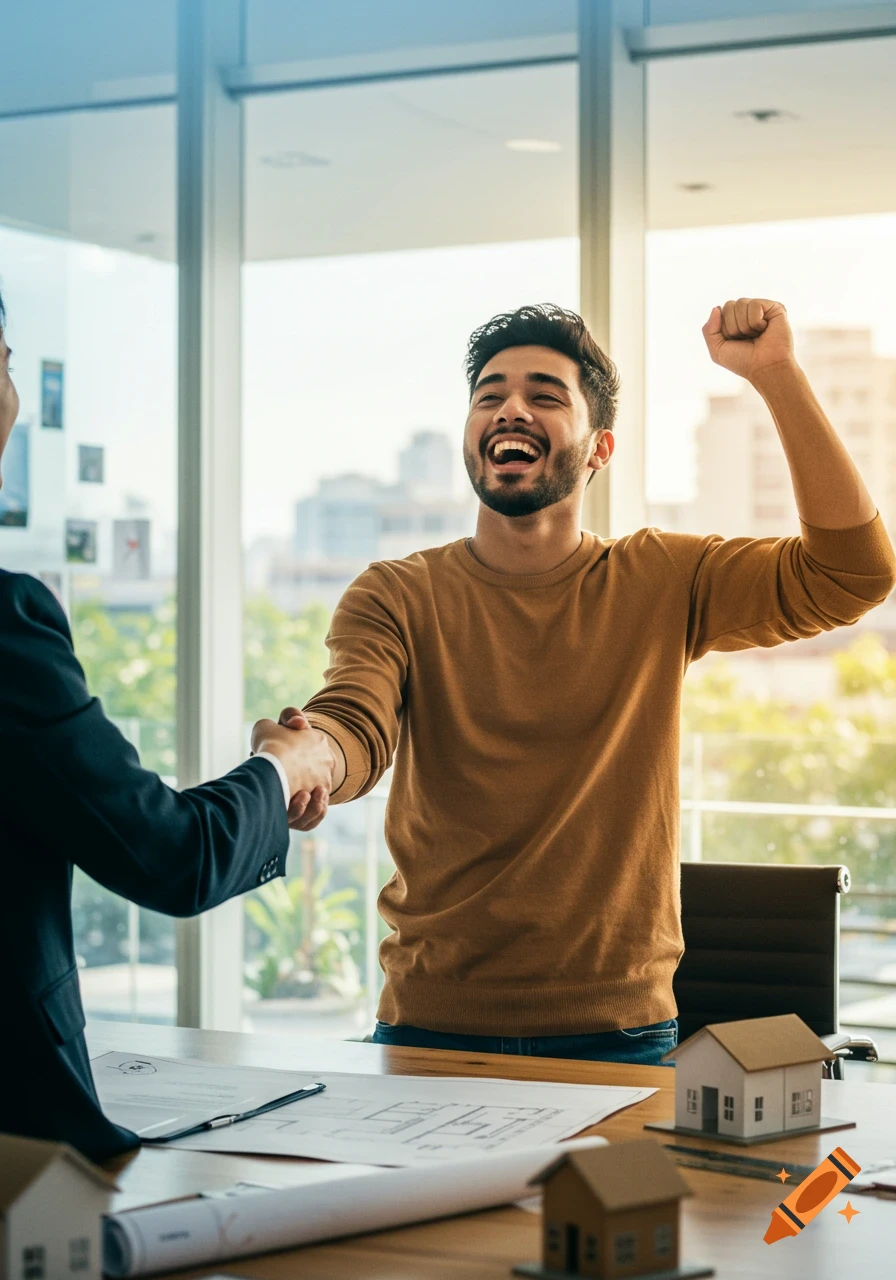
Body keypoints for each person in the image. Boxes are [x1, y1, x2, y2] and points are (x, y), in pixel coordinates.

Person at [278, 298, 896, 1065]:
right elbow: (354, 722)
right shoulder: (396, 593)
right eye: (489, 395)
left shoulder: (662, 578)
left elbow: (853, 574)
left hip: (621, 1036)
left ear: (600, 448)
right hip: (430, 1025)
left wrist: (776, 377)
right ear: (471, 438)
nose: (509, 408)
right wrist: (311, 760)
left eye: (544, 395)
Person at [0, 291, 337, 1161]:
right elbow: (169, 854)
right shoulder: (7, 621)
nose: (14, 394)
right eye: (6, 363)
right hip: (21, 1144)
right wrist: (281, 764)